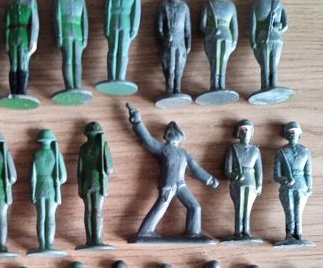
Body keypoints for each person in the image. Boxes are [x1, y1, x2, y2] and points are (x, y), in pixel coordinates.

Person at [127, 104, 219, 239]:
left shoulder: (183, 152)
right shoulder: (164, 149)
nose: (176, 138)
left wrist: (209, 179)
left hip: (181, 185)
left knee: (195, 207)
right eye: (174, 134)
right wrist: (137, 121)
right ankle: (145, 232)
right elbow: (148, 140)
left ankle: (193, 232)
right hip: (169, 186)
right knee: (161, 207)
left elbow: (195, 168)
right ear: (169, 135)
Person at [273, 122, 312, 245]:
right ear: (286, 134)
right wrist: (284, 180)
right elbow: (276, 175)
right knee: (289, 211)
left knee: (299, 211)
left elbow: (308, 172)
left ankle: (298, 235)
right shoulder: (281, 152)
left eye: (295, 131)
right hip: (287, 187)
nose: (293, 134)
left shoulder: (305, 151)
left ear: (299, 133)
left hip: (301, 185)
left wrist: (309, 187)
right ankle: (289, 235)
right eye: (290, 131)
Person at [103, 0, 140, 84]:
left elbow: (136, 9)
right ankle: (111, 77)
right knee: (112, 50)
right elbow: (107, 8)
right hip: (113, 20)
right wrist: (106, 26)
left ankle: (121, 78)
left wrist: (134, 27)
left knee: (123, 51)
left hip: (126, 21)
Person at [30, 129, 67, 253]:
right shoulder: (55, 154)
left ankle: (42, 244)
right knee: (50, 217)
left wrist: (32, 192)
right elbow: (63, 177)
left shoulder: (36, 154)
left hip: (39, 188)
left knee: (41, 217)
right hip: (51, 188)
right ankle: (49, 244)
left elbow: (33, 177)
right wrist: (57, 180)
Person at [224, 119, 262, 239]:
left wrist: (259, 184)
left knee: (248, 208)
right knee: (239, 207)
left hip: (251, 181)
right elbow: (227, 170)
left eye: (248, 130)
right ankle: (238, 231)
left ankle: (246, 231)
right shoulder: (233, 149)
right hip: (237, 182)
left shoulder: (255, 150)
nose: (245, 132)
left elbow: (259, 170)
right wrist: (234, 175)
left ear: (252, 133)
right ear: (238, 133)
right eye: (243, 130)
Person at [77, 122, 114, 248]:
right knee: (97, 210)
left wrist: (80, 187)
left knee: (88, 211)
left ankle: (89, 240)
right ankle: (97, 239)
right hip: (99, 182)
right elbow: (109, 169)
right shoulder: (102, 145)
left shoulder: (83, 148)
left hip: (86, 182)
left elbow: (80, 170)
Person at [199, 0, 238, 92]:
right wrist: (211, 31)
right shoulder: (207, 4)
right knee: (214, 62)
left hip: (227, 37)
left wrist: (234, 42)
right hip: (212, 38)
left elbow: (234, 27)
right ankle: (214, 85)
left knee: (224, 61)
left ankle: (222, 85)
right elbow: (202, 26)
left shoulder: (231, 6)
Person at [249, 0, 288, 92]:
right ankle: (273, 85)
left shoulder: (256, 5)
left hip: (262, 39)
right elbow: (285, 25)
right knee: (274, 65)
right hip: (276, 38)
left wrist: (253, 42)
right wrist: (278, 28)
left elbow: (253, 26)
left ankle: (265, 86)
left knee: (265, 65)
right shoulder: (279, 4)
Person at [54, 0, 89, 91]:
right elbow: (57, 17)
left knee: (78, 61)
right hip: (65, 32)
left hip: (78, 32)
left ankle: (77, 85)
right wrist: (59, 35)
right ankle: (69, 85)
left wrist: (85, 37)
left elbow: (84, 18)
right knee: (68, 59)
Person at [4, 0, 39, 96]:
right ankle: (14, 92)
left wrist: (33, 40)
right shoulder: (10, 3)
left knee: (23, 62)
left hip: (25, 36)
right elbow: (6, 24)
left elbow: (35, 23)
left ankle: (22, 93)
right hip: (12, 36)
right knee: (13, 64)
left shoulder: (31, 1)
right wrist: (6, 42)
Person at [156, 0, 191, 96]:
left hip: (180, 41)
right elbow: (159, 27)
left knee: (179, 67)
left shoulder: (184, 6)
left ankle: (178, 89)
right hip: (168, 42)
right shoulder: (164, 6)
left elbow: (187, 28)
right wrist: (164, 38)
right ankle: (169, 89)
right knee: (169, 67)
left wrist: (188, 43)